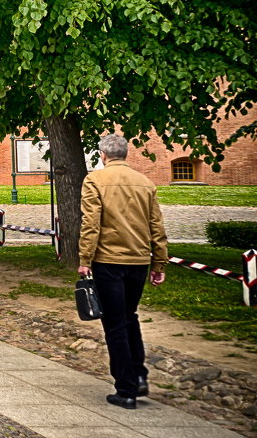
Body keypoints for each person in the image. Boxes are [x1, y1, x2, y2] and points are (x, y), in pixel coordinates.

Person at [78, 133, 168, 410]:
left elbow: (91, 223)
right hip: (139, 261)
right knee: (130, 317)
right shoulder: (145, 182)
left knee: (115, 324)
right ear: (126, 154)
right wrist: (159, 262)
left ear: (103, 155)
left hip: (108, 261)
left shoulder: (95, 180)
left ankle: (126, 388)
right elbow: (157, 225)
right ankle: (139, 376)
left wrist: (84, 259)